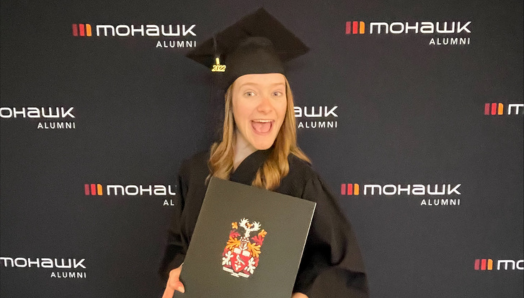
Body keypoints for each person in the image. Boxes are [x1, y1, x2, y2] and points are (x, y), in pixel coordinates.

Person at [158, 8, 368, 298]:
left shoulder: (300, 180)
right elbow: (178, 247)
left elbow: (339, 269)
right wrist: (178, 271)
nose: (266, 107)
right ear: (230, 102)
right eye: (250, 92)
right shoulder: (195, 172)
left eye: (276, 92)